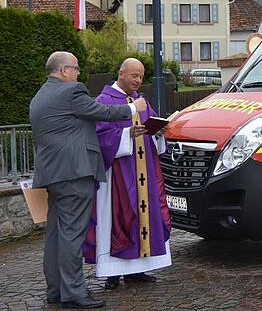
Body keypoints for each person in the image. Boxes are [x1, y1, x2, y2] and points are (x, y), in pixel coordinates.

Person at [29, 52, 147, 309]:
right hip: (75, 173)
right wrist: (132, 108)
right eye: (75, 69)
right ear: (63, 72)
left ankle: (56, 290)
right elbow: (100, 111)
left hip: (52, 175)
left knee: (56, 236)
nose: (79, 73)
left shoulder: (39, 96)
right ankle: (73, 293)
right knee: (72, 235)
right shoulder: (71, 92)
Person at [82, 58, 172, 290]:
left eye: (141, 76)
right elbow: (98, 138)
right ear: (121, 73)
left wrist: (159, 132)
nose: (138, 80)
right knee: (118, 220)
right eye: (134, 75)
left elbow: (150, 130)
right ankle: (113, 273)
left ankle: (137, 270)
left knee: (144, 219)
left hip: (144, 172)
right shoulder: (104, 101)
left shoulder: (140, 101)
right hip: (118, 176)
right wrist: (126, 135)